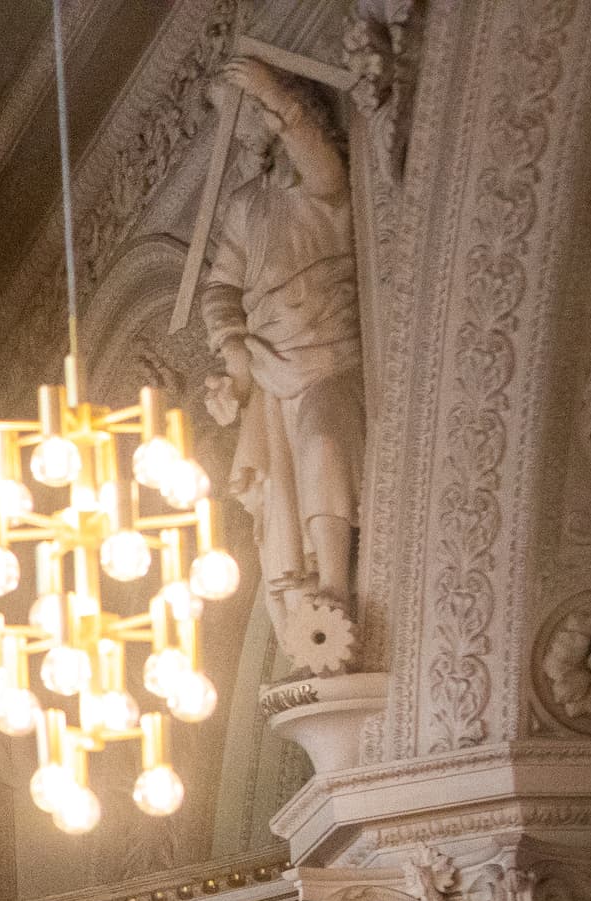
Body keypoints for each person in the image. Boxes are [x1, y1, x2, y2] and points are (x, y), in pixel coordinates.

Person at [197, 60, 362, 603]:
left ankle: (335, 587)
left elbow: (321, 165)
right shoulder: (248, 205)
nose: (240, 130)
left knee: (322, 444)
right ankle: (302, 608)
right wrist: (233, 354)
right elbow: (221, 287)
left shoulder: (320, 185)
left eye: (244, 113)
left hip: (331, 354)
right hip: (270, 366)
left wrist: (273, 93)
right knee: (272, 494)